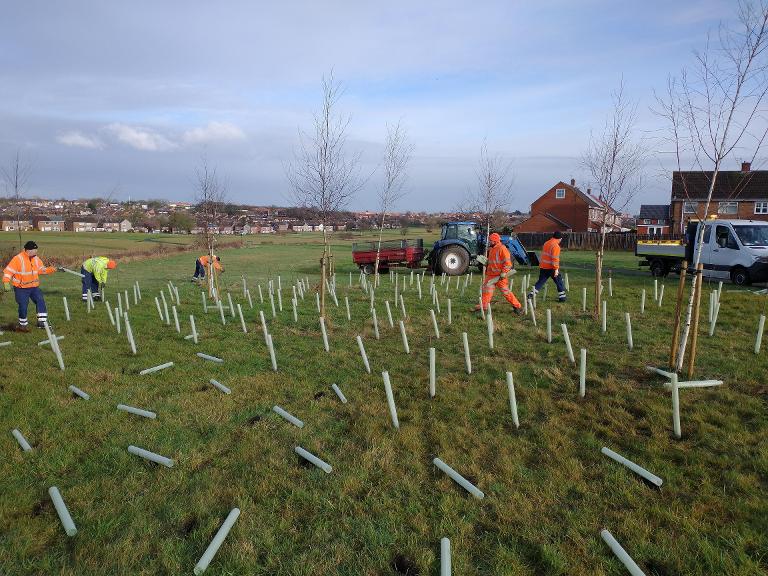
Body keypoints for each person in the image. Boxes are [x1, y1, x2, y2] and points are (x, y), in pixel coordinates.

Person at [2, 240, 56, 331]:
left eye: (36, 250)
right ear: (28, 250)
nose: (36, 252)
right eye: (34, 250)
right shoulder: (17, 259)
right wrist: (6, 282)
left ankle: (42, 322)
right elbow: (8, 271)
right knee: (23, 305)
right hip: (21, 288)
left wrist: (50, 270)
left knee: (40, 300)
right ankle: (22, 325)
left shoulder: (36, 259)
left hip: (34, 287)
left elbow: (41, 269)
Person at [474, 232, 522, 314]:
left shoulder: (502, 249)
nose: (489, 242)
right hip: (491, 275)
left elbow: (508, 263)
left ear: (495, 241)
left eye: (491, 241)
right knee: (486, 292)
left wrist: (503, 273)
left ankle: (518, 307)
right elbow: (493, 262)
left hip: (500, 276)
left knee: (506, 292)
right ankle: (483, 307)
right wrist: (486, 262)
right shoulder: (492, 249)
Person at [528, 231, 566, 302]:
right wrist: (556, 269)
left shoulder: (546, 243)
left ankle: (531, 294)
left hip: (543, 266)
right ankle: (562, 298)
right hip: (551, 268)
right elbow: (555, 259)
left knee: (540, 282)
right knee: (559, 281)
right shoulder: (556, 246)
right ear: (560, 239)